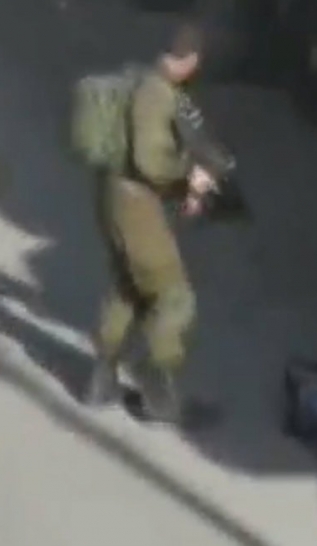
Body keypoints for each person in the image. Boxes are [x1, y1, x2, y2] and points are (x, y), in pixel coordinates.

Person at [84, 23, 218, 426]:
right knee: (174, 297)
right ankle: (158, 391)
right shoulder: (157, 95)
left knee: (130, 286)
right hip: (136, 206)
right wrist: (188, 176)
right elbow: (150, 161)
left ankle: (100, 380)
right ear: (191, 60)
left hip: (111, 197)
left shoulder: (138, 80)